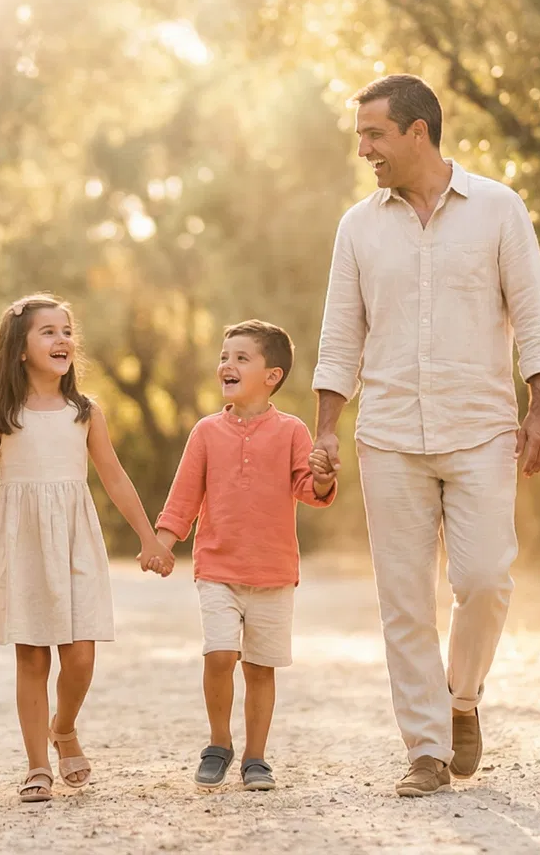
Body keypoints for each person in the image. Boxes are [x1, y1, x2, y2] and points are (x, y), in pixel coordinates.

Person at [309, 74, 540, 797]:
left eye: (374, 135)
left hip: (481, 427)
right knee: (404, 598)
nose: (364, 150)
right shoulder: (358, 226)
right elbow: (339, 335)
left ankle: (462, 698)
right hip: (388, 434)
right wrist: (326, 430)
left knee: (485, 578)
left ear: (417, 132)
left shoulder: (498, 209)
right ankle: (425, 748)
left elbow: (534, 315)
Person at [0, 293, 176, 803]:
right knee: (31, 656)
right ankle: (36, 766)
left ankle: (64, 726)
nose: (63, 340)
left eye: (67, 330)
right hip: (23, 538)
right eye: (48, 331)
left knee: (80, 657)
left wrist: (149, 537)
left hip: (73, 538)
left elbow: (114, 478)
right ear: (20, 349)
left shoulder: (85, 410)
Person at [154, 320, 336, 794]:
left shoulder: (293, 431)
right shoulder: (206, 432)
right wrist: (163, 541)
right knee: (219, 654)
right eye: (224, 356)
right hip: (217, 568)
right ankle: (219, 744)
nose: (226, 366)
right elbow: (184, 496)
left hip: (273, 572)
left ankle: (256, 757)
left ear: (271, 375)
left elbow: (309, 491)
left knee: (259, 668)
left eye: (240, 358)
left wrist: (320, 477)